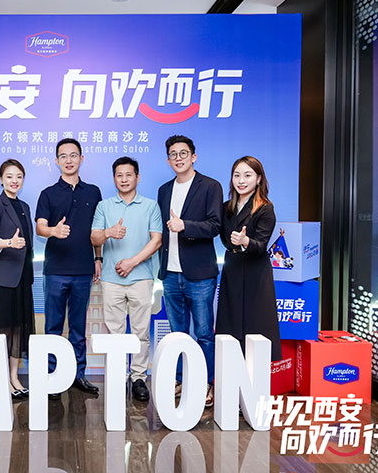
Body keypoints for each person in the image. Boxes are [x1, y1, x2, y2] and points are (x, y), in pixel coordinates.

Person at [156, 135, 223, 408]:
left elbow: (215, 225)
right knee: (177, 334)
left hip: (200, 274)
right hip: (170, 274)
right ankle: (181, 380)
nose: (178, 158)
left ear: (193, 156)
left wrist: (186, 226)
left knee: (204, 333)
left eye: (183, 153)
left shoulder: (210, 186)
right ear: (168, 160)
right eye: (173, 154)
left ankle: (206, 383)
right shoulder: (164, 190)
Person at [35, 138, 102, 400]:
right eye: (63, 156)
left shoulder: (93, 192)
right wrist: (53, 231)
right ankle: (52, 376)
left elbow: (97, 230)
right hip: (55, 270)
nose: (69, 160)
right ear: (57, 161)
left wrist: (98, 258)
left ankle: (78, 374)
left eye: (73, 155)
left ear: (81, 158)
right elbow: (40, 227)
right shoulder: (48, 193)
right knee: (53, 326)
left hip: (83, 269)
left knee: (78, 326)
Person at [91, 157, 162, 402]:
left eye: (128, 174)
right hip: (111, 279)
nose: (124, 179)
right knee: (115, 332)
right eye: (119, 175)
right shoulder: (104, 206)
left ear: (137, 177)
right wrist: (108, 232)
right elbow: (94, 238)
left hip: (141, 277)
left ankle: (138, 377)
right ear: (114, 179)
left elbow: (156, 240)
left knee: (141, 331)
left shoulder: (151, 206)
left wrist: (132, 262)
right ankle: (118, 376)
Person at [216, 156, 282, 362]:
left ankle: (255, 375)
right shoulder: (226, 207)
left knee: (256, 325)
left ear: (259, 178)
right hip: (233, 268)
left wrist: (245, 241)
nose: (241, 181)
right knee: (230, 324)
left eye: (247, 175)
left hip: (256, 273)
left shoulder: (265, 208)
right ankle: (230, 372)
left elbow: (261, 246)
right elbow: (223, 237)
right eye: (236, 176)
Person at [0, 159, 35, 400]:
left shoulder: (24, 205)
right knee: (3, 328)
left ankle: (14, 376)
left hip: (23, 276)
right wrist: (9, 243)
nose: (14, 181)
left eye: (19, 177)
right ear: (1, 179)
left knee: (19, 327)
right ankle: (1, 377)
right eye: (9, 176)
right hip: (3, 277)